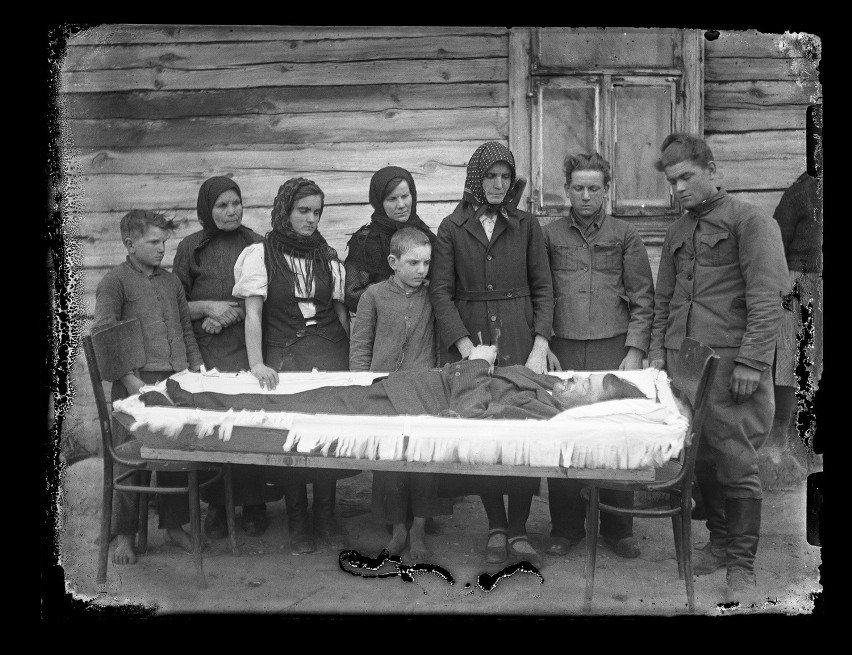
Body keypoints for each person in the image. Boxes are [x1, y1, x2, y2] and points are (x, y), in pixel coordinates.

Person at [648, 133, 789, 604]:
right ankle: (719, 545)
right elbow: (665, 300)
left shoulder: (751, 222)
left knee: (737, 463)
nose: (680, 188)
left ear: (713, 171)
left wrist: (752, 361)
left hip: (732, 367)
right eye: (672, 181)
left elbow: (767, 298)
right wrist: (659, 356)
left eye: (687, 177)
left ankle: (742, 567)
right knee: (704, 459)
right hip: (685, 365)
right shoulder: (677, 231)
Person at [429, 141, 554, 568]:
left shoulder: (526, 224)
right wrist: (467, 348)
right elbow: (441, 294)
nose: (499, 185)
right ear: (475, 179)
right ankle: (496, 524)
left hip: (519, 333)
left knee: (522, 425)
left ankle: (519, 527)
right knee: (483, 426)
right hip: (474, 334)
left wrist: (541, 342)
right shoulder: (451, 226)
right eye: (490, 177)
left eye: (505, 176)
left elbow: (543, 287)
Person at [542, 152, 655, 560]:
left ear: (606, 190)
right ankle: (566, 526)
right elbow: (542, 293)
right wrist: (545, 342)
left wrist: (635, 350)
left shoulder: (626, 235)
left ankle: (618, 526)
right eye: (578, 188)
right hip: (565, 349)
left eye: (594, 188)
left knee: (616, 434)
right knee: (564, 432)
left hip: (613, 348)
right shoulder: (549, 235)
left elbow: (643, 297)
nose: (586, 195)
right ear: (566, 190)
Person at [233, 177, 353, 555]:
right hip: (284, 355)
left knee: (328, 435)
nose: (311, 219)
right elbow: (253, 314)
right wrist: (256, 363)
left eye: (317, 212)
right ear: (285, 211)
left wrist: (354, 362)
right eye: (303, 211)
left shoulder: (326, 256)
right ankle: (299, 519)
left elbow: (340, 312)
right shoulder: (260, 254)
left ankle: (326, 515)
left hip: (329, 352)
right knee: (292, 436)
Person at [172, 175, 282, 540]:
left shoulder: (256, 243)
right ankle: (217, 508)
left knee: (249, 422)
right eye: (221, 205)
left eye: (235, 203)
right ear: (207, 209)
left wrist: (232, 311)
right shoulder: (191, 249)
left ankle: (253, 505)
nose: (231, 211)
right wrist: (208, 308)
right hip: (208, 349)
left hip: (249, 346)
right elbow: (175, 305)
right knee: (215, 424)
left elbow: (270, 298)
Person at [93, 209, 205, 566]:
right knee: (131, 459)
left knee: (175, 454)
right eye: (154, 242)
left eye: (165, 242)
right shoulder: (115, 282)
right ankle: (124, 534)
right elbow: (104, 334)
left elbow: (186, 330)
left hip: (173, 383)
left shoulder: (171, 282)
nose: (162, 249)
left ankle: (173, 526)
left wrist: (197, 371)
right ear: (130, 244)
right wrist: (131, 381)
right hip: (134, 385)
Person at [153, 345, 648, 420]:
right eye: (584, 376)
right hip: (404, 384)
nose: (576, 379)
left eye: (587, 386)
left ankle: (191, 404)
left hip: (403, 405)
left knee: (298, 406)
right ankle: (191, 397)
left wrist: (476, 361)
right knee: (296, 396)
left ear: (590, 407)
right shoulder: (542, 383)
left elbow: (471, 409)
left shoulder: (540, 409)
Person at [349, 227, 450, 559]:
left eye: (427, 263)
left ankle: (419, 528)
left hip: (424, 389)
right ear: (393, 262)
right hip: (386, 390)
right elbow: (361, 346)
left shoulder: (433, 296)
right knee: (390, 461)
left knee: (424, 458)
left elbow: (439, 343)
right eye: (413, 263)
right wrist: (362, 386)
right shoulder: (374, 296)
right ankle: (398, 528)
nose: (422, 270)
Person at [767, 171, 822, 472]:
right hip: (800, 284)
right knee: (790, 360)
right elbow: (776, 241)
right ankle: (781, 440)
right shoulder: (803, 192)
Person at [344, 166, 437, 314]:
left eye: (405, 196)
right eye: (392, 199)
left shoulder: (425, 235)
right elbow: (352, 296)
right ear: (379, 201)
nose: (401, 205)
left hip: (424, 327)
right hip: (384, 329)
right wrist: (396, 292)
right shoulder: (366, 242)